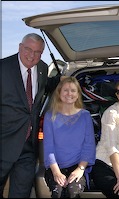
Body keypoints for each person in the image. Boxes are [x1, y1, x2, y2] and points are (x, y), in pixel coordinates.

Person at [0, 33, 61, 198]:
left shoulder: (41, 68)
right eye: (28, 49)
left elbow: (44, 87)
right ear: (20, 47)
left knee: (21, 193)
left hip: (28, 146)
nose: (32, 55)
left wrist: (61, 81)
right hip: (4, 143)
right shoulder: (3, 68)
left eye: (37, 52)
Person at [43, 76, 96, 198]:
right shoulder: (50, 116)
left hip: (78, 165)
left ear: (78, 94)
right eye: (65, 90)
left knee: (73, 192)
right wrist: (56, 173)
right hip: (55, 166)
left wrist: (80, 169)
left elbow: (89, 145)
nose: (69, 94)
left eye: (73, 90)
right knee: (58, 192)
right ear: (59, 93)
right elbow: (48, 147)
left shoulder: (85, 116)